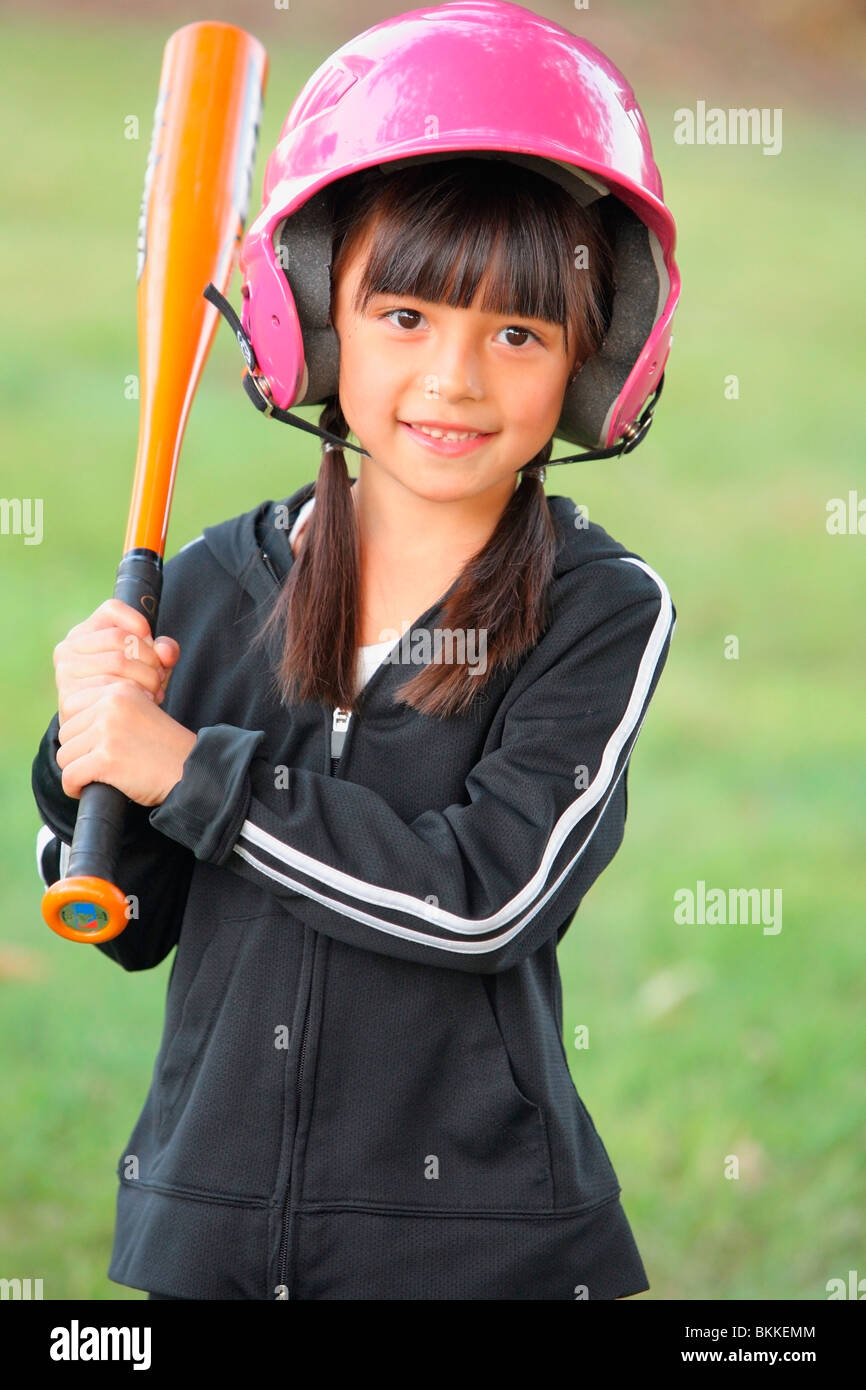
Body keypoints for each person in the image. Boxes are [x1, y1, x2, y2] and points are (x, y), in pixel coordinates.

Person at [32, 0, 680, 1300]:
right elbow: (133, 920)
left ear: (592, 362)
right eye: (402, 316)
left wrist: (194, 773)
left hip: (476, 1255)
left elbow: (484, 897)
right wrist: (87, 763)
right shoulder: (221, 581)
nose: (453, 377)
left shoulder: (598, 608)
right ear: (318, 322)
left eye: (516, 332)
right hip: (206, 1238)